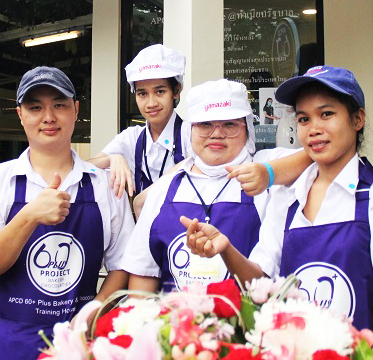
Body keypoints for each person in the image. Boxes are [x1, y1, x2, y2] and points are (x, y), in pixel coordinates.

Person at [183, 66, 373, 358]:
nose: (314, 128)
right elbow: (260, 283)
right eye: (303, 118)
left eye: (327, 114)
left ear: (357, 119)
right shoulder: (286, 198)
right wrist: (226, 249)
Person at [0, 67, 135, 360]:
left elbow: (123, 266)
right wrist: (29, 215)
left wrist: (90, 318)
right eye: (35, 107)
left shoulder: (104, 185)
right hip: (8, 341)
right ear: (20, 114)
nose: (49, 117)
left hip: (80, 340)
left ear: (75, 110)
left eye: (59, 104)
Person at [124, 79, 311, 293]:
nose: (216, 133)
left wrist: (268, 173)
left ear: (247, 128)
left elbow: (317, 155)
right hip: (173, 323)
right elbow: (143, 276)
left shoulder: (270, 170)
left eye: (229, 124)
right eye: (205, 124)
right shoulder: (165, 188)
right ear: (190, 130)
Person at [89, 44, 191, 208]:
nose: (151, 103)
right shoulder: (131, 138)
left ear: (176, 91)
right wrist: (111, 159)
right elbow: (85, 168)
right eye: (142, 93)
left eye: (160, 92)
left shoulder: (191, 134)